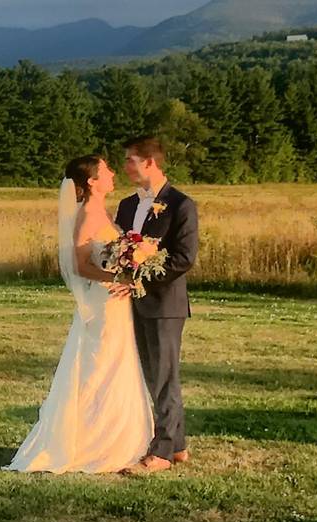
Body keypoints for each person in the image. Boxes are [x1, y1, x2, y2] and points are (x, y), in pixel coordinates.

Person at [3, 156, 153, 473]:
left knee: (115, 364)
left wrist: (132, 264)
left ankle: (115, 438)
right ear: (92, 182)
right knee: (99, 366)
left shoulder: (102, 212)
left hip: (115, 301)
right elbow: (81, 265)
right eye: (106, 170)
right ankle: (90, 443)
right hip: (102, 301)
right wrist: (119, 278)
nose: (113, 174)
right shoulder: (86, 216)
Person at [116, 136, 199, 474]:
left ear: (149, 162)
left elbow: (183, 259)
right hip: (131, 305)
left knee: (165, 377)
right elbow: (117, 247)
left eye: (130, 160)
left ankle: (161, 452)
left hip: (165, 303)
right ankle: (177, 445)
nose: (125, 166)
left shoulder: (181, 205)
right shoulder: (125, 205)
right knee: (151, 375)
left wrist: (142, 278)